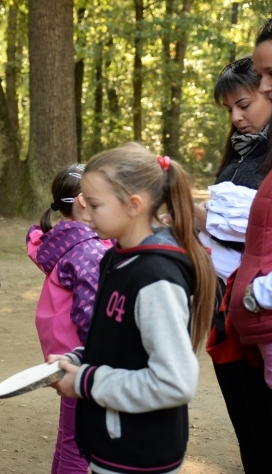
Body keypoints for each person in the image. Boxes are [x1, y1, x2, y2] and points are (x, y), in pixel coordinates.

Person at [50, 143, 216, 474]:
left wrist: (86, 382)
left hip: (141, 457)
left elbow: (175, 383)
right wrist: (80, 358)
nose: (83, 209)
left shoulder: (155, 277)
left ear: (133, 205)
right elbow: (119, 341)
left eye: (94, 203)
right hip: (112, 448)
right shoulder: (116, 258)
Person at [203, 52, 272, 474]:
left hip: (259, 315)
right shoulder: (240, 155)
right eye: (229, 109)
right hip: (224, 315)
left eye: (243, 105)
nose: (236, 118)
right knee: (248, 430)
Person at [26, 163, 109, 474]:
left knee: (69, 437)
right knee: (80, 445)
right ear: (85, 201)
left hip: (64, 356)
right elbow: (91, 314)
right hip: (82, 358)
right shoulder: (88, 251)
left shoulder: (64, 241)